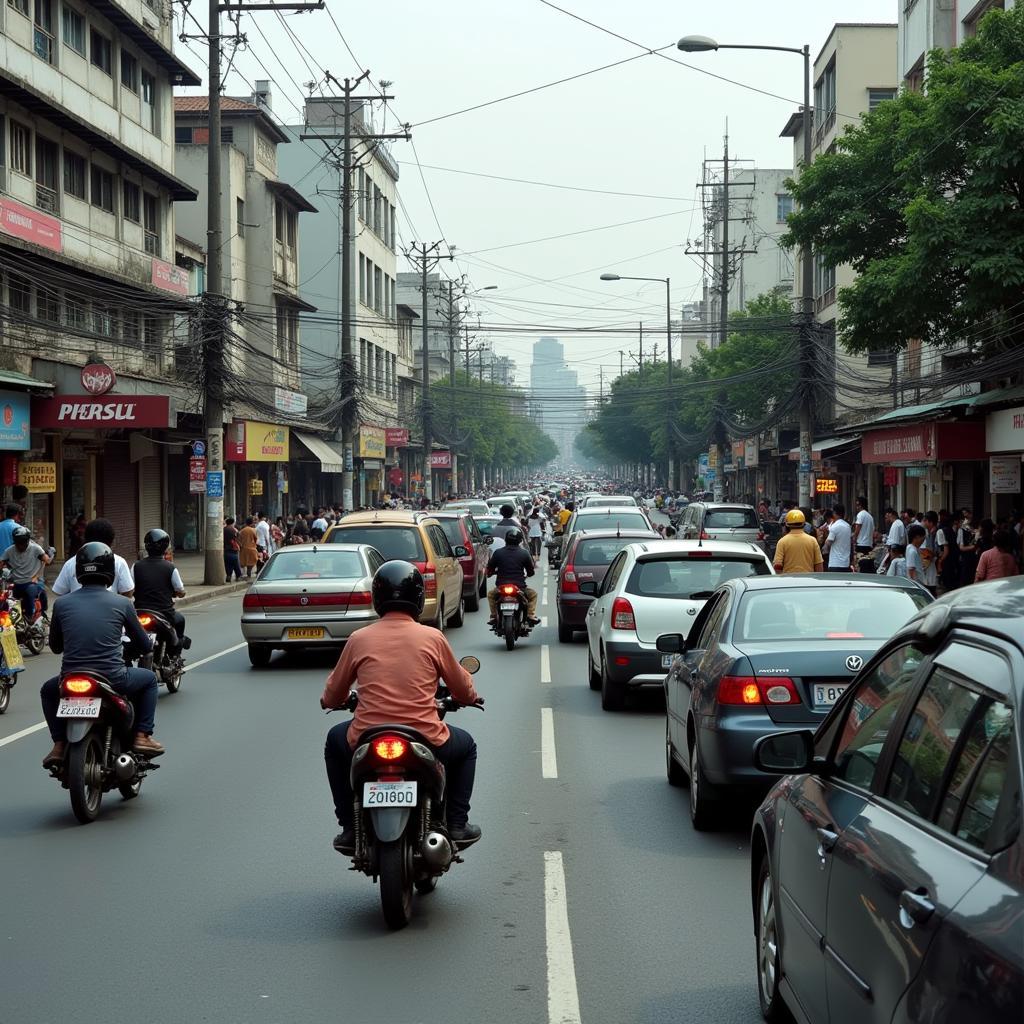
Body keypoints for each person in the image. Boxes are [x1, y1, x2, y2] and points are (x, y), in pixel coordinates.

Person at [321, 560, 482, 852]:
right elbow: (460, 687)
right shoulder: (433, 637)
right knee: (467, 746)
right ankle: (457, 824)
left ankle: (348, 825)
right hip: (425, 736)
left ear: (377, 597)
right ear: (419, 598)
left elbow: (332, 694)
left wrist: (334, 701)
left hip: (366, 736)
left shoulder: (359, 638)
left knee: (334, 741)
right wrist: (470, 697)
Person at [39, 542, 164, 767]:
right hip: (113, 677)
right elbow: (145, 646)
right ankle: (142, 736)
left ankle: (58, 744)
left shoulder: (61, 604)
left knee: (48, 691)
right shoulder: (122, 603)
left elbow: (56, 647)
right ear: (110, 571)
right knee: (150, 681)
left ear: (78, 571)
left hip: (69, 678)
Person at [132, 529, 187, 653]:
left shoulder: (136, 566)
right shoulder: (170, 567)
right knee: (180, 620)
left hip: (139, 612)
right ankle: (174, 653)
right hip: (164, 613)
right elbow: (180, 590)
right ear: (165, 547)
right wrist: (179, 593)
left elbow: (130, 589)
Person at [52, 518, 135, 597]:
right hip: (109, 611)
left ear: (86, 538)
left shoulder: (71, 563)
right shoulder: (119, 562)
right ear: (111, 541)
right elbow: (128, 592)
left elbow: (59, 591)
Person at [486, 527, 540, 625]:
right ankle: (530, 615)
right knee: (533, 595)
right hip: (520, 587)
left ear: (506, 539)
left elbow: (490, 568)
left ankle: (493, 616)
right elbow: (531, 572)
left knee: (491, 594)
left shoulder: (498, 552)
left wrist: (490, 574)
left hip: (501, 587)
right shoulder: (524, 553)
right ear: (520, 541)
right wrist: (528, 574)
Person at [1, 526, 52, 621]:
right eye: (18, 543)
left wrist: (50, 555)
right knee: (6, 601)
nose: (20, 546)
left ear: (28, 541)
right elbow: (1, 562)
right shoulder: (9, 550)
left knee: (34, 592)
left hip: (31, 582)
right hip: (16, 583)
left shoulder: (36, 548)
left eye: (23, 543)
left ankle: (35, 616)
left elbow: (47, 560)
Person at [772, 509, 824, 574]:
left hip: (789, 581)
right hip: (809, 581)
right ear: (804, 524)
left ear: (787, 525)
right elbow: (819, 565)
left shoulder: (782, 541)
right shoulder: (812, 540)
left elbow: (777, 566)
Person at [823, 504, 854, 572]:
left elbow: (828, 543)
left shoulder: (835, 526)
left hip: (835, 563)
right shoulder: (848, 526)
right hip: (846, 563)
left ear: (834, 513)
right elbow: (851, 542)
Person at [853, 497, 876, 573]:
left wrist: (854, 540)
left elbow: (857, 529)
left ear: (860, 505)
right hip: (869, 545)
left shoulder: (860, 515)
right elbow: (873, 531)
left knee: (861, 566)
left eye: (857, 505)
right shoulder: (870, 517)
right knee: (868, 567)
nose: (856, 507)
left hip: (861, 545)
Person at [223, 517, 243, 582]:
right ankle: (238, 575)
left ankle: (228, 575)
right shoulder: (234, 530)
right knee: (235, 563)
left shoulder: (223, 529)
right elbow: (238, 538)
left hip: (226, 549)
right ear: (233, 523)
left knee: (227, 563)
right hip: (233, 548)